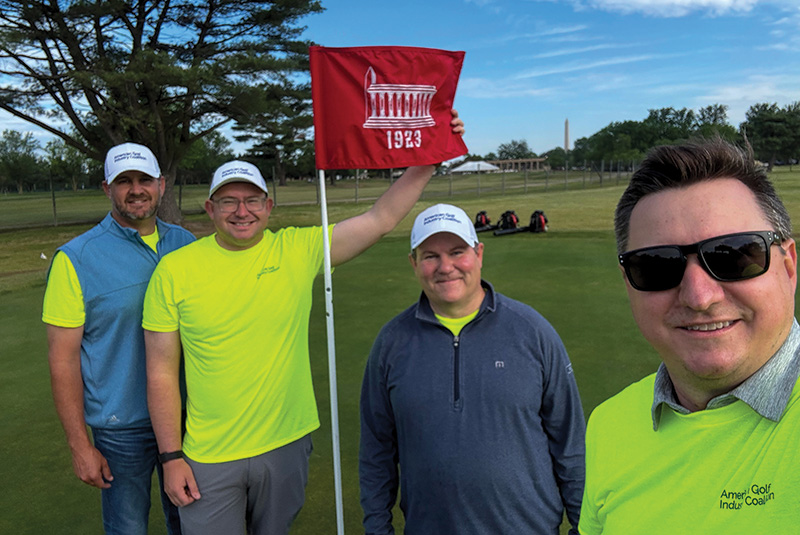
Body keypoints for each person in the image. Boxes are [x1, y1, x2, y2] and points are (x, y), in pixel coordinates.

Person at [142, 112, 465, 535]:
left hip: (285, 445)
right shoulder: (175, 269)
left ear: (268, 206)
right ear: (210, 208)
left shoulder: (296, 248)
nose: (242, 211)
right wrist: (170, 457)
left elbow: (380, 219)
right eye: (228, 201)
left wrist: (428, 159)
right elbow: (161, 370)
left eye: (253, 200)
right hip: (208, 454)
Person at [579, 139, 800, 534]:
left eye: (733, 254)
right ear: (629, 285)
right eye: (656, 265)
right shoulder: (608, 424)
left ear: (788, 266)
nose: (699, 297)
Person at [359, 203, 585, 535]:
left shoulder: (532, 331)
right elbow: (376, 452)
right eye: (430, 256)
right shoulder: (392, 343)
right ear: (414, 262)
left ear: (478, 253)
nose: (445, 267)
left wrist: (585, 526)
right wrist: (377, 529)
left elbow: (570, 443)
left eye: (457, 252)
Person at [43, 142, 195, 534]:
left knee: (191, 521)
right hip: (121, 428)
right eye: (123, 181)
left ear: (161, 184)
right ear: (106, 188)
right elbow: (63, 361)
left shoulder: (185, 245)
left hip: (187, 416)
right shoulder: (75, 258)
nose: (136, 189)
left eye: (144, 179)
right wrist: (79, 445)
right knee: (128, 528)